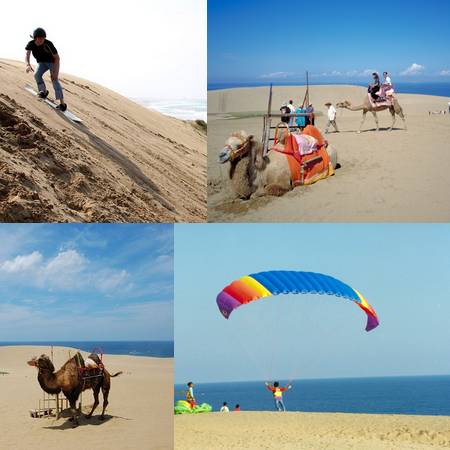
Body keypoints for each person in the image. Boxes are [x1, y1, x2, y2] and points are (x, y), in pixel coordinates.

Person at [25, 28, 67, 111]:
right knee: (37, 75)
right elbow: (27, 54)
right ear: (35, 38)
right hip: (41, 63)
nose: (41, 40)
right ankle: (43, 92)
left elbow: (57, 58)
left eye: (43, 38)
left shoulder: (48, 44)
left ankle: (62, 104)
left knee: (54, 80)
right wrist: (27, 64)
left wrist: (56, 73)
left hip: (52, 62)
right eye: (39, 38)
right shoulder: (31, 44)